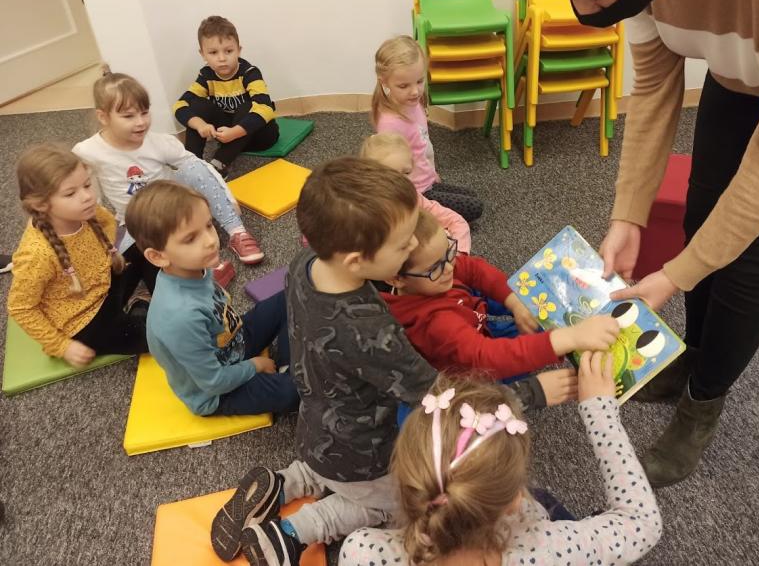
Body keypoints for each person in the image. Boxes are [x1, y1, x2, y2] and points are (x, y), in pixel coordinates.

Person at [506, 0, 759, 486]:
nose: (590, 11)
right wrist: (627, 214)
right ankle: (692, 357)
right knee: (701, 219)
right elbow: (654, 86)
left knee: (747, 258)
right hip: (742, 78)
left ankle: (703, 400)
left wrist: (675, 275)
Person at [209, 158, 571, 566]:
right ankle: (293, 532)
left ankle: (285, 482)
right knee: (402, 503)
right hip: (365, 456)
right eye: (402, 246)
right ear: (357, 260)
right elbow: (440, 401)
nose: (413, 247)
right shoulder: (372, 334)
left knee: (331, 463)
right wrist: (531, 392)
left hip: (315, 428)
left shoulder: (305, 264)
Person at [339, 354, 663, 565]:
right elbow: (641, 523)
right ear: (514, 501)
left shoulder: (362, 551)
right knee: (545, 504)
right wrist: (600, 411)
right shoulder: (548, 550)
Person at [74, 72, 263, 291]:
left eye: (145, 112)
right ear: (103, 117)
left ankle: (236, 232)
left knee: (193, 166)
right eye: (128, 116)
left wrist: (228, 199)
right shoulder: (87, 152)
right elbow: (88, 197)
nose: (140, 122)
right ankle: (202, 270)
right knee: (122, 266)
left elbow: (201, 169)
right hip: (136, 221)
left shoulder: (159, 142)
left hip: (176, 208)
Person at [124, 181, 297, 417]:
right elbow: (213, 382)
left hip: (233, 342)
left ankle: (289, 368)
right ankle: (292, 378)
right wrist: (254, 366)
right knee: (296, 392)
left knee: (291, 295)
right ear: (158, 256)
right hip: (216, 393)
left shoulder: (193, 269)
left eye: (208, 225)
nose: (210, 241)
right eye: (190, 239)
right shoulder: (180, 317)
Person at [383, 209, 620, 379]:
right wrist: (570, 338)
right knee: (531, 344)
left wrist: (513, 300)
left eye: (449, 253)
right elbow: (485, 358)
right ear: (396, 278)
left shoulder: (431, 276)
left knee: (529, 304)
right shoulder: (436, 323)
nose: (449, 268)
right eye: (435, 267)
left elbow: (473, 268)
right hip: (472, 373)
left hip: (467, 313)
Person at [7, 145, 148, 366]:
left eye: (87, 185)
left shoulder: (86, 211)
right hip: (84, 323)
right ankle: (140, 307)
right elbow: (21, 308)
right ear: (41, 204)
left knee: (148, 245)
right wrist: (62, 346)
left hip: (104, 286)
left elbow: (108, 223)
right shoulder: (37, 254)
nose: (87, 197)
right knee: (162, 336)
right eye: (70, 193)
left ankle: (161, 300)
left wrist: (104, 257)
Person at [372, 35, 484, 222]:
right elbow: (389, 174)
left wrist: (431, 172)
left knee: (472, 196)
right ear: (384, 82)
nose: (415, 91)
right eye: (403, 86)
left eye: (419, 81)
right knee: (475, 207)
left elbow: (421, 145)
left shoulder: (413, 103)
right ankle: (419, 216)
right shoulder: (390, 124)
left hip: (427, 180)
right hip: (416, 193)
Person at [174, 15, 279, 177]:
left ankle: (219, 164)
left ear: (239, 50)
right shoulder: (206, 76)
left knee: (248, 106)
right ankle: (192, 163)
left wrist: (235, 132)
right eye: (213, 52)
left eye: (229, 51)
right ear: (203, 54)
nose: (222, 58)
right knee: (198, 105)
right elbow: (180, 105)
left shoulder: (250, 73)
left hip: (259, 136)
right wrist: (200, 125)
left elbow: (266, 109)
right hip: (228, 136)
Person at [360, 132, 471, 253]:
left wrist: (459, 252)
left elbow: (455, 220)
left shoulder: (414, 198)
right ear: (370, 176)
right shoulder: (363, 211)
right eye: (391, 175)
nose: (402, 181)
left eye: (407, 172)